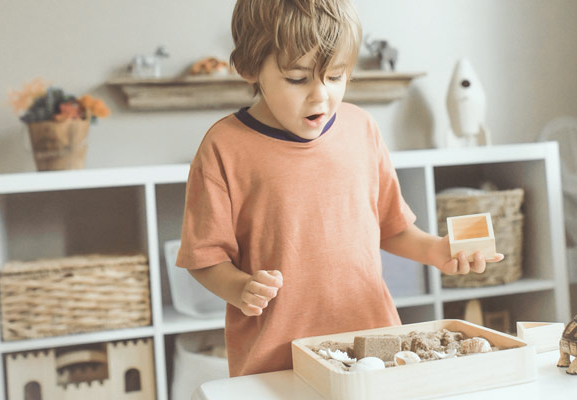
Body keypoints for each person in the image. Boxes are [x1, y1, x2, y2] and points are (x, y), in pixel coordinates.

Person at [175, 0, 503, 377]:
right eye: (298, 79)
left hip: (373, 346)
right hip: (277, 361)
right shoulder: (223, 146)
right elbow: (204, 258)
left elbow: (391, 226)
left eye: (335, 76)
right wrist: (240, 288)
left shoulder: (362, 129)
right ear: (249, 68)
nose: (321, 96)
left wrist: (436, 250)